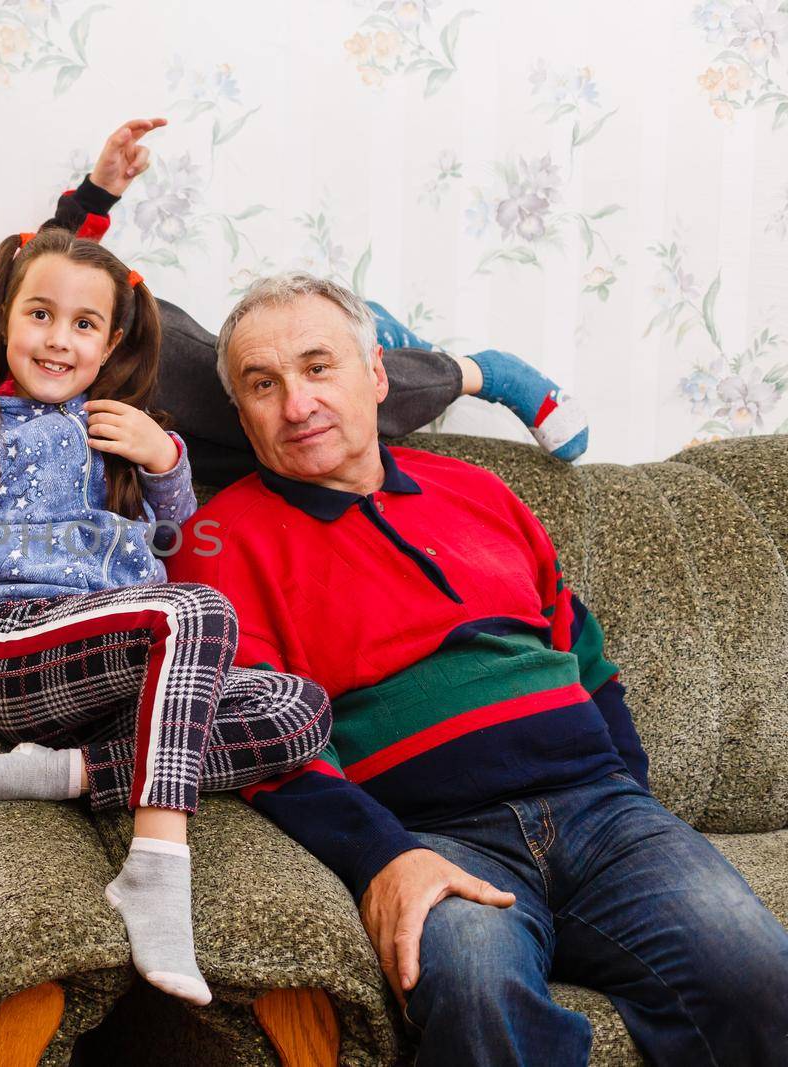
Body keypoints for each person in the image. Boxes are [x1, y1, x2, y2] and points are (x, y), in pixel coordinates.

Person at [167, 271, 788, 1064]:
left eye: (319, 367)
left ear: (376, 376)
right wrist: (382, 857)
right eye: (264, 383)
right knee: (478, 993)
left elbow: (586, 654)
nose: (297, 403)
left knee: (758, 975)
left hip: (603, 813)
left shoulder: (478, 489)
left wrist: (631, 795)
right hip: (436, 837)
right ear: (242, 410)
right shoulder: (217, 541)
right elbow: (257, 738)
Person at [0, 227, 334, 1007]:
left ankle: (62, 772)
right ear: (4, 318)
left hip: (118, 664)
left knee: (300, 708)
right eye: (40, 315)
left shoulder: (122, 430)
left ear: (111, 341)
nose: (57, 340)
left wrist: (163, 459)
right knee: (199, 613)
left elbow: (178, 536)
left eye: (83, 325)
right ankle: (155, 867)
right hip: (14, 650)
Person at [0, 119, 588, 487]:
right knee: (265, 469)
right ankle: (357, 326)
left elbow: (29, 271)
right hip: (73, 411)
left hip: (114, 338)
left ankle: (472, 369)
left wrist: (94, 196)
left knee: (280, 407)